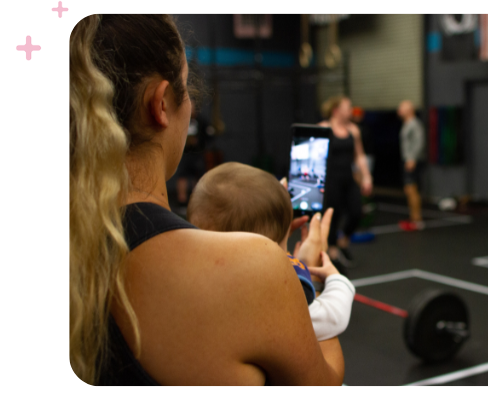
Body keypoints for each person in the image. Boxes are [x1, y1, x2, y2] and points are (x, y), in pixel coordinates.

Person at [70, 15, 343, 385]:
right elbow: (325, 384)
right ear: (161, 103)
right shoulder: (258, 268)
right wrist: (305, 275)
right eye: (186, 89)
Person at [187, 162, 356, 341]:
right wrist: (337, 280)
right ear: (268, 248)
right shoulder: (273, 298)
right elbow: (333, 317)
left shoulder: (195, 284)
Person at [318, 96, 373, 269]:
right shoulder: (324, 128)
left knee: (357, 212)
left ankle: (343, 241)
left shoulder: (353, 130)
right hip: (330, 180)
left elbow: (360, 156)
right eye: (347, 107)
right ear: (336, 110)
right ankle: (333, 252)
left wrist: (367, 177)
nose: (351, 111)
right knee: (332, 217)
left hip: (348, 178)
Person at [397, 100, 426, 231]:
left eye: (402, 108)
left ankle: (417, 219)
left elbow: (419, 142)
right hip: (407, 159)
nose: (399, 110)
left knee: (412, 188)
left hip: (412, 160)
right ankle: (413, 218)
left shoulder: (414, 124)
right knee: (409, 189)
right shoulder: (407, 124)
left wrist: (412, 159)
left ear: (410, 110)